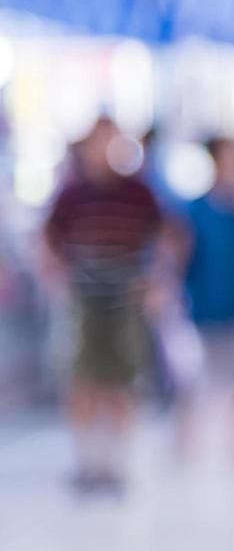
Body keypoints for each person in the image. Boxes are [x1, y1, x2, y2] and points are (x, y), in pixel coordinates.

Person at [44, 119, 163, 495]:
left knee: (122, 379)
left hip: (124, 294)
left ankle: (117, 461)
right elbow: (49, 240)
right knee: (83, 378)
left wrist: (155, 281)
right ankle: (88, 461)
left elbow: (164, 236)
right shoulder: (72, 194)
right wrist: (58, 278)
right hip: (84, 294)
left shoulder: (138, 193)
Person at [178, 137, 234, 460]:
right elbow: (182, 255)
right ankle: (188, 442)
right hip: (204, 304)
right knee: (197, 375)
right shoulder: (196, 210)